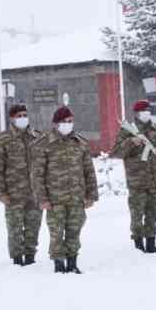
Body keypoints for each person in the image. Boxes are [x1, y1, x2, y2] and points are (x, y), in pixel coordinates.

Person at [32, 107, 98, 273]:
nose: (68, 124)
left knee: (74, 231)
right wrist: (42, 199)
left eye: (70, 121)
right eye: (64, 122)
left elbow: (89, 170)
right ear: (56, 124)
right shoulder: (44, 143)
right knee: (56, 233)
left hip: (77, 197)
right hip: (55, 200)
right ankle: (58, 264)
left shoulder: (80, 143)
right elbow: (37, 175)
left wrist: (91, 195)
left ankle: (72, 263)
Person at [111, 99, 156, 253]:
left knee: (152, 214)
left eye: (149, 110)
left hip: (155, 179)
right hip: (137, 180)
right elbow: (115, 152)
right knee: (137, 214)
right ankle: (138, 244)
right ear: (137, 113)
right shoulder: (127, 130)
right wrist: (131, 142)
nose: (147, 112)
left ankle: (151, 243)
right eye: (144, 110)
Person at [0, 104, 42, 266]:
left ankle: (30, 258)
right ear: (12, 118)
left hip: (34, 193)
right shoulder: (3, 139)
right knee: (15, 229)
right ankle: (17, 260)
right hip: (13, 194)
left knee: (33, 227)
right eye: (19, 115)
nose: (23, 118)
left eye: (25, 115)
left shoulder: (36, 137)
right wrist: (0, 192)